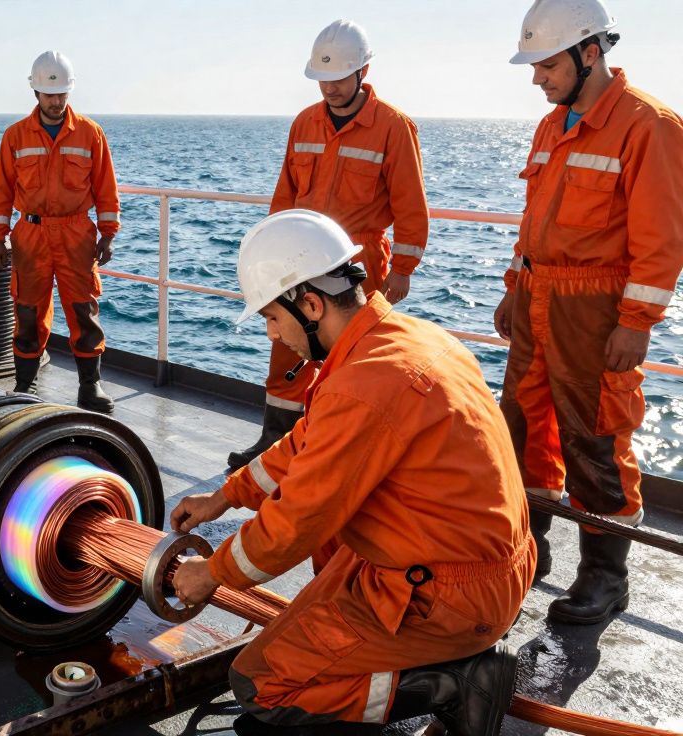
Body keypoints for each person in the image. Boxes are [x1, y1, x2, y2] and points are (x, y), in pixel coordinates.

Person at [174, 210, 534, 735]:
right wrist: (226, 497)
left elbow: (295, 522)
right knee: (290, 641)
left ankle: (456, 682)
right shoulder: (401, 340)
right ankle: (440, 659)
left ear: (311, 304)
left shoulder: (364, 385)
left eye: (273, 318)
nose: (275, 335)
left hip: (447, 593)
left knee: (262, 685)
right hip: (466, 561)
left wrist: (210, 574)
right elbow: (306, 444)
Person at [496, 0, 683, 624]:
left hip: (595, 309)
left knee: (597, 439)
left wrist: (634, 324)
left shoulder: (648, 125)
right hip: (536, 300)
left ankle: (606, 578)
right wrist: (511, 286)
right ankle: (532, 548)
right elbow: (533, 221)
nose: (537, 78)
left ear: (589, 53)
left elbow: (661, 242)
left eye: (546, 64)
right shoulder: (553, 125)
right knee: (522, 426)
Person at [227, 20, 429, 471]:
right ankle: (274, 444)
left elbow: (411, 206)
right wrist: (271, 250)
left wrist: (403, 270)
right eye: (323, 79)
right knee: (286, 348)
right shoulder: (304, 123)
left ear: (363, 71)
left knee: (354, 358)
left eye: (339, 77)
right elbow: (285, 196)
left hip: (359, 263)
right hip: (296, 260)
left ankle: (343, 454)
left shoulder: (393, 128)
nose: (330, 88)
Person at [0, 50, 122, 414]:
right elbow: (1, 189)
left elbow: (106, 187)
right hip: (30, 234)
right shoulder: (15, 136)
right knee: (28, 310)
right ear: (35, 93)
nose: (56, 101)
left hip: (76, 233)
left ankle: (90, 385)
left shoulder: (91, 134)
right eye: (50, 94)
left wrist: (108, 233)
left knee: (83, 309)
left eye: (62, 93)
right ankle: (25, 382)